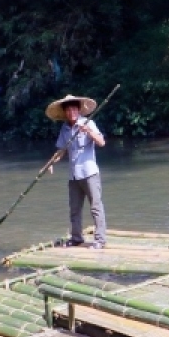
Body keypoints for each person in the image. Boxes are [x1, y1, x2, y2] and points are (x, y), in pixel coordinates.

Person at [47, 94, 107, 249]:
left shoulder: (88, 123)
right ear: (65, 112)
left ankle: (100, 239)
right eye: (68, 110)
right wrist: (52, 162)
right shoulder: (65, 128)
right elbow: (62, 150)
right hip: (73, 176)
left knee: (96, 206)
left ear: (78, 110)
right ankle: (76, 238)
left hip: (90, 173)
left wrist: (88, 131)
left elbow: (101, 142)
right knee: (74, 209)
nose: (71, 112)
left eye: (74, 109)